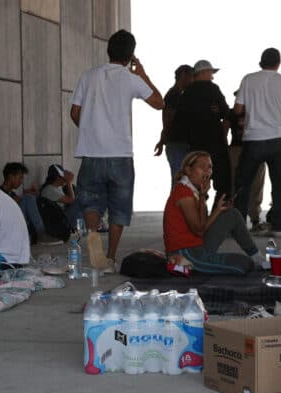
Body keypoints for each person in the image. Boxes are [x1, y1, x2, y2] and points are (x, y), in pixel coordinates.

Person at [69, 29, 164, 272]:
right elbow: (159, 102)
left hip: (91, 154)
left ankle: (94, 251)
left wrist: (91, 130)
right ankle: (110, 259)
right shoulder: (130, 78)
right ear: (131, 55)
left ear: (108, 50)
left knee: (90, 203)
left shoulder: (88, 76)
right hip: (120, 155)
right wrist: (142, 73)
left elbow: (75, 112)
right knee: (119, 209)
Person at [232, 47, 281, 238]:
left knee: (243, 185)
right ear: (278, 63)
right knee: (278, 185)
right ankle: (278, 227)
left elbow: (238, 109)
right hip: (278, 139)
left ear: (261, 62)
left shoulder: (248, 79)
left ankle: (239, 227)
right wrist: (280, 120)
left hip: (253, 140)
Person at [163, 151, 259, 275]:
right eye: (202, 167)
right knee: (243, 264)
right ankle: (185, 266)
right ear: (188, 170)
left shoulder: (194, 190)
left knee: (231, 214)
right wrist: (211, 206)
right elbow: (199, 230)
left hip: (197, 245)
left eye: (209, 167)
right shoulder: (183, 192)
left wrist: (215, 207)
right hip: (186, 253)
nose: (207, 171)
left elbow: (201, 225)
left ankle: (258, 257)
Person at [175, 59, 231, 200]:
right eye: (210, 73)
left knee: (196, 184)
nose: (212, 77)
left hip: (196, 145)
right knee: (223, 184)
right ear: (203, 73)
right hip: (216, 144)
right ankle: (216, 217)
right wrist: (218, 111)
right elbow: (226, 112)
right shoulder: (213, 89)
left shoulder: (187, 93)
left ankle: (198, 216)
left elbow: (181, 119)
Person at [228, 97, 268, 233]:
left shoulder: (236, 112)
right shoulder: (256, 112)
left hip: (247, 149)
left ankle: (252, 219)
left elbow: (224, 129)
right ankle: (240, 219)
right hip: (242, 149)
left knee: (252, 185)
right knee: (240, 185)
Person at [0, 161, 58, 245]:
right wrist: (23, 197)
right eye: (20, 178)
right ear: (11, 177)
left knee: (31, 198)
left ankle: (37, 234)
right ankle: (41, 233)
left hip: (19, 229)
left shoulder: (12, 194)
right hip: (7, 230)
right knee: (28, 198)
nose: (21, 181)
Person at [156, 64, 194, 182]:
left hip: (180, 144)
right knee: (179, 182)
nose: (193, 80)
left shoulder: (182, 95)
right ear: (183, 75)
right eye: (191, 76)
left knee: (184, 181)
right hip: (177, 145)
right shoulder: (173, 95)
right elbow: (167, 119)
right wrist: (163, 139)